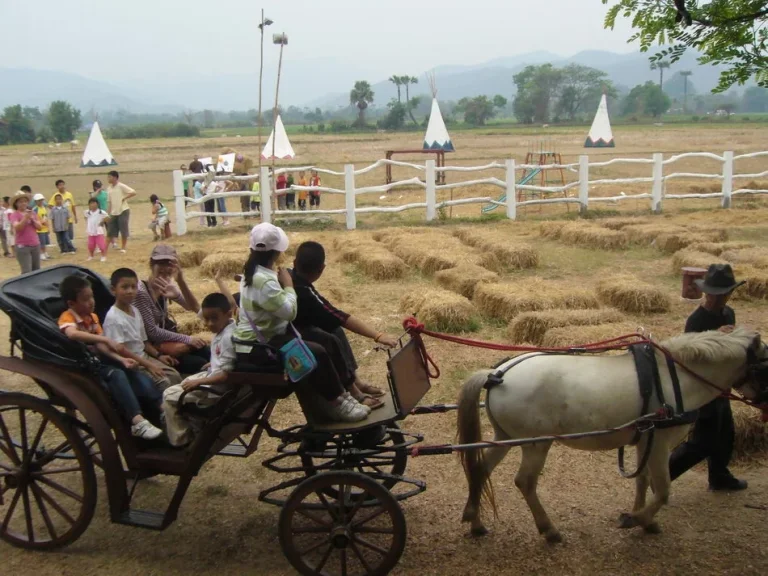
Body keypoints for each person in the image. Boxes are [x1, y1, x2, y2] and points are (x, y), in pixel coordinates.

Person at [232, 223, 369, 423]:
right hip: (259, 345)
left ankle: (346, 392)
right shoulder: (264, 280)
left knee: (325, 339)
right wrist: (289, 286)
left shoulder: (256, 272)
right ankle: (337, 403)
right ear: (278, 251)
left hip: (267, 336)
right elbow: (289, 311)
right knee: (316, 352)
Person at [291, 241, 398, 410]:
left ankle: (356, 381)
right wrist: (377, 335)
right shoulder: (303, 291)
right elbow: (339, 316)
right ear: (322, 269)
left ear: (294, 263)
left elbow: (334, 319)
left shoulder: (290, 277)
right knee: (328, 340)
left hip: (289, 327)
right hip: (288, 335)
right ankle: (353, 391)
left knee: (334, 329)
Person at [669, 264, 748, 491]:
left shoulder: (729, 313)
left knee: (726, 433)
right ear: (706, 293)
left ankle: (719, 476)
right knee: (702, 441)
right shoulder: (696, 320)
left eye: (721, 294)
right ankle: (661, 476)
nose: (716, 299)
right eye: (712, 294)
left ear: (729, 294)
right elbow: (689, 356)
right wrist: (715, 337)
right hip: (701, 385)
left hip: (721, 383)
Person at [58, 275, 163, 439]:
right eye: (86, 299)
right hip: (83, 365)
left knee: (131, 371)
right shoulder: (68, 317)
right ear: (72, 304)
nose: (92, 302)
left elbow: (101, 347)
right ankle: (137, 420)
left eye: (92, 296)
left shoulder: (92, 317)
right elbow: (72, 334)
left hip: (99, 360)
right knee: (117, 375)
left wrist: (121, 359)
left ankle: (161, 407)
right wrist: (105, 339)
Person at [162, 293, 236, 446]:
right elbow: (226, 359)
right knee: (186, 381)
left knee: (168, 394)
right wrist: (212, 363)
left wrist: (200, 381)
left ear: (228, 314)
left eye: (213, 318)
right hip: (213, 378)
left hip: (215, 391)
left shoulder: (227, 338)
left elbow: (225, 375)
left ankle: (181, 440)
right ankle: (188, 422)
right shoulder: (228, 327)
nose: (208, 323)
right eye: (206, 319)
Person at [133, 245, 211, 375]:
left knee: (206, 351)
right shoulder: (141, 293)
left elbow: (191, 307)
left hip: (165, 342)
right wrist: (187, 339)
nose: (166, 267)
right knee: (200, 364)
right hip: (151, 348)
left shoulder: (165, 287)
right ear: (151, 264)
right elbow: (151, 332)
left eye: (170, 263)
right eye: (160, 263)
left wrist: (180, 281)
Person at [104, 268, 182, 392]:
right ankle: (161, 410)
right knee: (164, 382)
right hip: (131, 363)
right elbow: (121, 350)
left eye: (133, 287)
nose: (130, 291)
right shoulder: (113, 318)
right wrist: (148, 365)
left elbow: (143, 342)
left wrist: (159, 356)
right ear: (113, 290)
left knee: (175, 376)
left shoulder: (135, 310)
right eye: (124, 287)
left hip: (144, 357)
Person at [9, 192, 42, 274]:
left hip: (35, 244)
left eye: (25, 201)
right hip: (22, 246)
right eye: (20, 202)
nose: (23, 203)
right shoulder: (14, 215)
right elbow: (17, 227)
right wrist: (25, 218)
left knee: (37, 270)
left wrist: (32, 219)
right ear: (16, 204)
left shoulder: (33, 213)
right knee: (27, 271)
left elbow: (39, 227)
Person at [106, 170, 136, 253]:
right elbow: (109, 203)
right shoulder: (108, 189)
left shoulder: (121, 186)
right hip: (114, 212)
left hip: (123, 210)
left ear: (115, 177)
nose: (108, 178)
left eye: (110, 177)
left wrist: (124, 198)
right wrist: (108, 214)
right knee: (110, 230)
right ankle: (105, 248)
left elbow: (133, 192)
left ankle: (123, 247)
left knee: (123, 229)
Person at [83, 197, 110, 261]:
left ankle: (103, 256)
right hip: (91, 231)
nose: (93, 205)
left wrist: (102, 222)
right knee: (91, 245)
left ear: (97, 204)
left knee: (101, 245)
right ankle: (91, 256)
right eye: (91, 203)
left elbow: (108, 218)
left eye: (94, 203)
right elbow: (85, 218)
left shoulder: (101, 212)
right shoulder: (87, 212)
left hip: (99, 232)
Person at [32, 194, 52, 261]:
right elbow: (34, 219)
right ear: (35, 201)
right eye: (38, 201)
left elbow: (46, 218)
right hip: (39, 230)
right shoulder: (35, 209)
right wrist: (41, 222)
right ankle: (41, 254)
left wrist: (48, 227)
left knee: (45, 242)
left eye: (41, 200)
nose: (40, 202)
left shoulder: (43, 208)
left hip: (45, 228)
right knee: (41, 242)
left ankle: (45, 252)